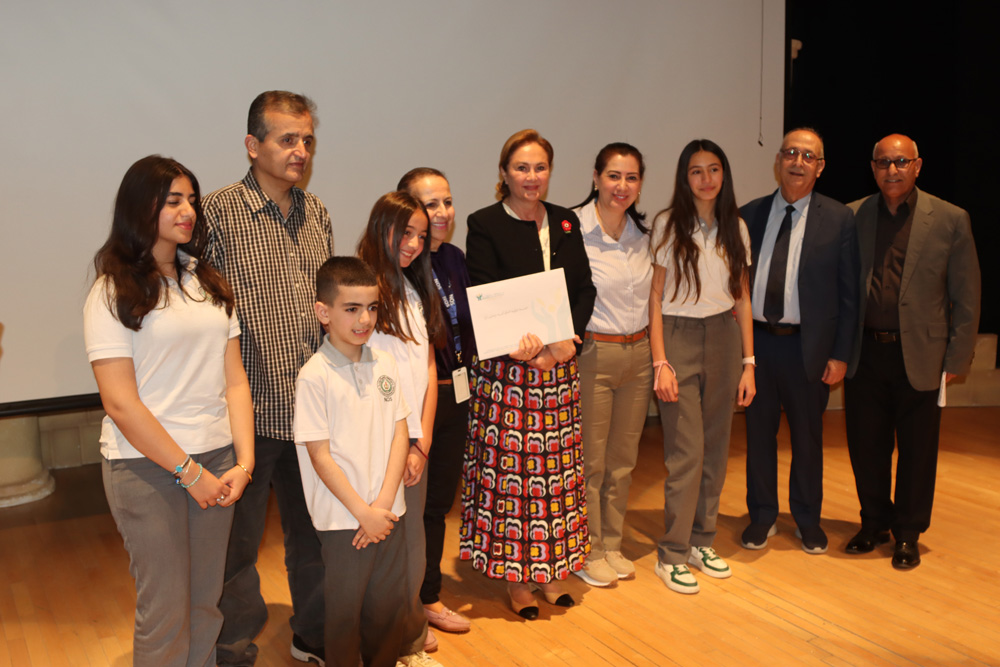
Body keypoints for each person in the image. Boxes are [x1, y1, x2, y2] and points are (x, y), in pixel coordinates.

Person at [84, 155, 255, 666]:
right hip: (147, 467)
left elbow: (235, 380)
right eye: (174, 200)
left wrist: (244, 463)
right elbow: (120, 402)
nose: (189, 211)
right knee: (166, 611)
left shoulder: (207, 281)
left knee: (205, 603)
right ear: (142, 207)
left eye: (192, 200)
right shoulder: (110, 291)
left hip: (218, 458)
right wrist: (188, 471)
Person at [203, 91, 332, 666]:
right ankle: (233, 651)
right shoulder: (216, 213)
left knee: (315, 536)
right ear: (253, 146)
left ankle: (313, 636)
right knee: (236, 549)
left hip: (311, 413)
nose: (300, 150)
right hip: (246, 416)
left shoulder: (317, 212)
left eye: (307, 140)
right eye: (287, 139)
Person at [460, 129, 596, 620]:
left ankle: (551, 570)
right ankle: (518, 580)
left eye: (540, 167)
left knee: (556, 480)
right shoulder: (484, 223)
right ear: (504, 173)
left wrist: (562, 347)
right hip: (509, 375)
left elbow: (584, 289)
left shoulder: (565, 221)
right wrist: (532, 351)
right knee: (515, 482)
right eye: (521, 167)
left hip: (558, 373)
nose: (531, 176)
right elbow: (486, 295)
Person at [843, 134, 981, 570]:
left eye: (901, 162)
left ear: (917, 166)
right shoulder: (853, 215)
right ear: (873, 168)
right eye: (883, 162)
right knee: (866, 446)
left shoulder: (950, 219)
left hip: (922, 354)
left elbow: (967, 295)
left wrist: (956, 359)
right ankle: (873, 523)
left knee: (918, 452)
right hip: (865, 352)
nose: (892, 170)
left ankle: (907, 533)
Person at [739, 128, 859, 555]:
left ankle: (807, 519)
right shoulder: (748, 215)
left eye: (808, 156)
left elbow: (850, 295)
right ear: (778, 161)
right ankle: (762, 516)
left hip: (808, 348)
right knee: (758, 437)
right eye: (790, 152)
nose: (797, 161)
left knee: (807, 440)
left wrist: (840, 354)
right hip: (757, 347)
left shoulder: (839, 219)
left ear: (820, 167)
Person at [647, 140, 756, 595]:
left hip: (725, 338)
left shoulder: (737, 227)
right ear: (684, 177)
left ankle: (701, 541)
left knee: (716, 448)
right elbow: (655, 298)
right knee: (686, 452)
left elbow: (742, 299)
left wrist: (749, 363)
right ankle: (672, 553)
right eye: (696, 171)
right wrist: (660, 361)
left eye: (714, 169)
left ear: (724, 175)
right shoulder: (667, 224)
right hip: (679, 337)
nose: (706, 179)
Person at [294, 257, 411, 667]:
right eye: (352, 308)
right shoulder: (314, 376)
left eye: (372, 307)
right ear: (323, 312)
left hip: (388, 512)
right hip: (345, 520)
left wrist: (383, 505)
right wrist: (363, 512)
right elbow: (319, 456)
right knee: (344, 616)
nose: (365, 319)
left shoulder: (385, 364)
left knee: (387, 609)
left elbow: (400, 434)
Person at [357, 191, 446, 667]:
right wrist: (404, 443)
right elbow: (368, 380)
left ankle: (409, 639)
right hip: (383, 444)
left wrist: (423, 439)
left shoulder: (415, 288)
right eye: (404, 232)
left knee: (412, 550)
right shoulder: (363, 290)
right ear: (381, 227)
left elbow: (428, 367)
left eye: (420, 236)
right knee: (383, 553)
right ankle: (388, 645)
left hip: (415, 441)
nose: (412, 244)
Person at [569, 143, 653, 587]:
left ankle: (613, 543)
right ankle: (590, 549)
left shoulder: (644, 235)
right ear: (596, 177)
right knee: (592, 460)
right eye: (614, 176)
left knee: (623, 460)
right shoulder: (572, 229)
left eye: (631, 177)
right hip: (594, 355)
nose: (622, 186)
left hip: (639, 354)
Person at [397, 168, 476, 633]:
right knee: (408, 505)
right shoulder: (401, 267)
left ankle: (427, 598)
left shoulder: (455, 258)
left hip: (456, 394)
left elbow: (473, 325)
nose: (442, 212)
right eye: (430, 205)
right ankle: (402, 607)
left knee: (437, 505)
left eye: (447, 201)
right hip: (417, 400)